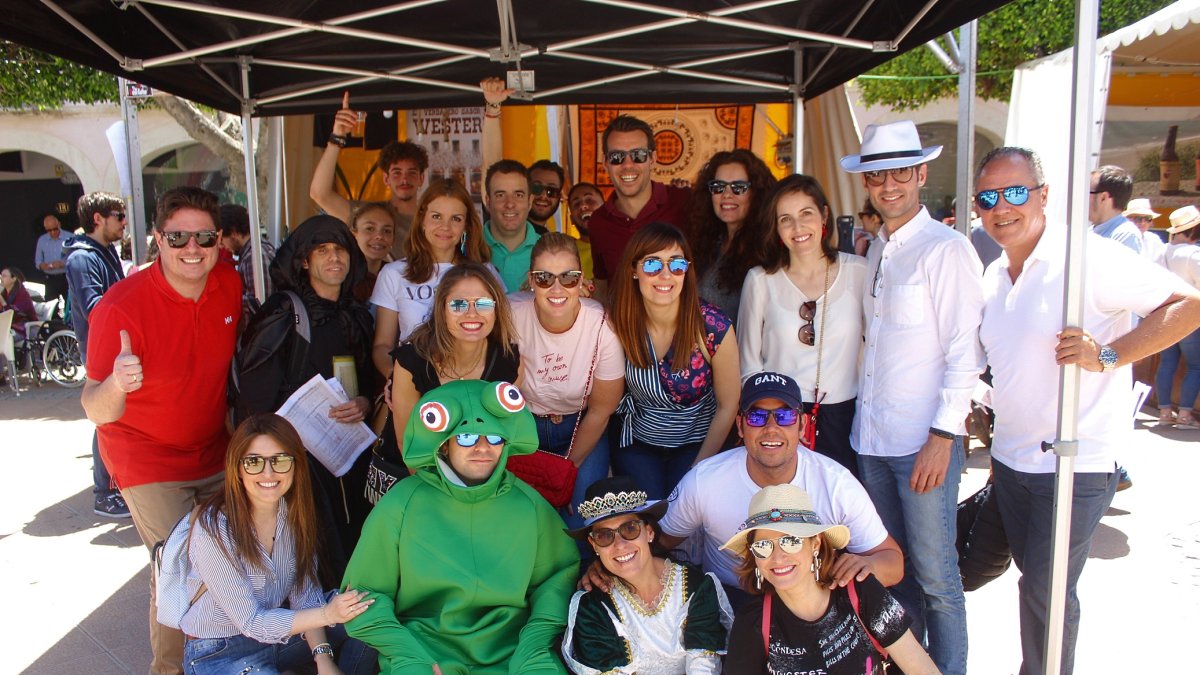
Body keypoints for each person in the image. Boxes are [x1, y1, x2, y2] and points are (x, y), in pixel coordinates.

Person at [974, 146, 1200, 675]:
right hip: (1010, 462)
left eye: (1013, 193)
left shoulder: (1086, 258)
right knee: (1009, 580)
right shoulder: (994, 274)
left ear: (1043, 195)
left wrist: (1108, 355)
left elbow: (1188, 305)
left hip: (1072, 464)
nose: (1000, 208)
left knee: (1046, 596)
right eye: (988, 198)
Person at [840, 120, 983, 675]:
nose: (889, 183)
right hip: (871, 442)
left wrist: (943, 438)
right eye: (878, 174)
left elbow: (965, 354)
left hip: (922, 442)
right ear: (867, 182)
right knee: (893, 573)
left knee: (938, 578)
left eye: (901, 170)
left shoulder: (946, 250)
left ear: (921, 173)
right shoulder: (878, 250)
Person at [81, 186, 241, 674]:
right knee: (178, 566)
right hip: (145, 456)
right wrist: (116, 382)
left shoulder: (229, 281)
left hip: (213, 448)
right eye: (177, 238)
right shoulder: (119, 307)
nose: (191, 249)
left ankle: (229, 658)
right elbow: (93, 407)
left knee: (232, 559)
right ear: (156, 238)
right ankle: (170, 670)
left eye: (202, 237)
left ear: (218, 240)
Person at [342, 379, 579, 674]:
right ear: (444, 444)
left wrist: (533, 649)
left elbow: (558, 578)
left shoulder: (529, 504)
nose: (483, 448)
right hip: (424, 649)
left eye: (494, 438)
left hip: (512, 649)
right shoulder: (401, 503)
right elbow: (365, 593)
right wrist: (409, 656)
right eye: (467, 437)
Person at [631, 372, 902, 610]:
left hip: (813, 598)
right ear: (740, 426)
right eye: (758, 416)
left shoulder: (836, 484)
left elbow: (893, 561)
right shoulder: (705, 480)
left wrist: (870, 566)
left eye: (784, 416)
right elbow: (659, 542)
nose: (771, 428)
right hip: (733, 598)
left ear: (802, 425)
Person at [235, 214, 379, 583]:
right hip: (299, 457)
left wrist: (364, 401)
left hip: (350, 453)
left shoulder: (357, 314)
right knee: (311, 545)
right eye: (322, 250)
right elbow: (255, 392)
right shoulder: (284, 313)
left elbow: (374, 380)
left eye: (341, 249)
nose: (335, 258)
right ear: (304, 260)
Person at [181, 414, 377, 675]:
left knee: (370, 612)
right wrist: (329, 615)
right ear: (237, 469)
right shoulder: (214, 528)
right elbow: (252, 622)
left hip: (279, 637)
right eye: (253, 462)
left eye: (280, 460)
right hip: (219, 651)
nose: (268, 473)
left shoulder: (293, 512)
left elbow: (306, 597)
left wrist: (324, 659)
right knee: (338, 612)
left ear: (296, 464)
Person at [722, 484, 940, 675]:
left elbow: (920, 668)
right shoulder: (753, 622)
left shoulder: (860, 591)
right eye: (763, 546)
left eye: (791, 541)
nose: (778, 557)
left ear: (815, 544)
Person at [738, 174, 867, 476]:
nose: (798, 228)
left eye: (805, 214)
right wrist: (765, 420)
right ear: (776, 228)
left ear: (823, 215)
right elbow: (748, 363)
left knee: (836, 515)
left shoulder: (859, 271)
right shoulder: (760, 280)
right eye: (786, 219)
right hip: (778, 419)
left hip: (843, 416)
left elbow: (875, 348)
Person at [609, 222, 740, 500]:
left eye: (676, 264)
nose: (665, 275)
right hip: (638, 442)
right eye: (652, 265)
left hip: (697, 445)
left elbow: (728, 406)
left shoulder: (712, 326)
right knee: (650, 518)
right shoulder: (619, 323)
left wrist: (699, 469)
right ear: (634, 270)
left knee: (683, 514)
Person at [380, 261, 522, 501]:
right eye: (458, 304)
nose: (472, 313)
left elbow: (502, 439)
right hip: (414, 477)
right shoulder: (412, 361)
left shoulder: (509, 362)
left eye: (483, 303)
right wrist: (444, 499)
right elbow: (408, 444)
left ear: (496, 309)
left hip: (480, 480)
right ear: (441, 308)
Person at [561, 476, 733, 674]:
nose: (619, 545)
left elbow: (704, 667)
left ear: (649, 532)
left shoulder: (697, 586)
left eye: (630, 529)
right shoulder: (591, 606)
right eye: (604, 535)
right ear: (594, 545)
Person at [510, 233, 625, 525]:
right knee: (525, 515)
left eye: (568, 277)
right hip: (524, 428)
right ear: (531, 280)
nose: (557, 288)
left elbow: (601, 410)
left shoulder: (601, 326)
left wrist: (563, 471)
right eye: (544, 278)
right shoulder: (510, 314)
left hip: (581, 425)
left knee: (580, 518)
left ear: (582, 279)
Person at [370, 177, 493, 377]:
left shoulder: (484, 273)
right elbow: (382, 345)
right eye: (436, 216)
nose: (445, 227)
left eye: (456, 218)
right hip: (411, 382)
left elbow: (498, 338)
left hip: (470, 383)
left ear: (467, 226)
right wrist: (396, 380)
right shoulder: (393, 273)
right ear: (422, 220)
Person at [64, 191, 129, 518]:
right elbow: (95, 309)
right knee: (105, 419)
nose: (124, 222)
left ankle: (114, 486)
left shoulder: (103, 253)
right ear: (98, 218)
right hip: (101, 351)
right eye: (118, 215)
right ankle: (103, 492)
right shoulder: (82, 258)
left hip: (113, 348)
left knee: (115, 418)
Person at [310, 92, 426, 258]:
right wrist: (337, 137)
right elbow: (319, 194)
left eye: (412, 172)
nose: (404, 179)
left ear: (421, 178)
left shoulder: (433, 220)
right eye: (397, 172)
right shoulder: (370, 213)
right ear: (386, 178)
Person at [588, 115, 690, 298]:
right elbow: (602, 288)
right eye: (617, 157)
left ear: (653, 158)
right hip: (621, 326)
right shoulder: (598, 222)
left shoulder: (685, 202)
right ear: (605, 163)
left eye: (638, 155)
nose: (628, 165)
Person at [1087, 164, 1140, 491]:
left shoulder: (1124, 236)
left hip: (1108, 351)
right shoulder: (1097, 233)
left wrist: (1110, 356)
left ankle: (1112, 473)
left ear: (1105, 197)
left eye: (1089, 193)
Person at [686, 148, 777, 323]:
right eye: (718, 187)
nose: (727, 195)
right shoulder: (707, 243)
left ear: (756, 193)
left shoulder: (768, 248)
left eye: (739, 187)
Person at [478, 77, 560, 234]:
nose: (543, 195)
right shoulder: (485, 235)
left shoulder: (548, 243)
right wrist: (493, 108)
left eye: (551, 191)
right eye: (536, 187)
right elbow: (491, 164)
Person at [1157, 205, 1200, 429]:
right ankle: (1184, 415)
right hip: (1190, 317)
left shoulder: (1162, 251)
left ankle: (1164, 412)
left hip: (1165, 316)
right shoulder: (1193, 255)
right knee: (1195, 367)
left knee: (1167, 363)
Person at [482, 159, 542, 292]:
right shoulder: (466, 248)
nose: (510, 204)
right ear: (488, 202)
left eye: (518, 195)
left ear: (530, 201)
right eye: (500, 195)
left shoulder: (549, 250)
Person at [218, 203, 277, 324]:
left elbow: (262, 303)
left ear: (233, 232)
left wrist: (227, 296)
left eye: (222, 239)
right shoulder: (253, 252)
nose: (221, 245)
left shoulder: (255, 256)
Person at [349, 201, 397, 303]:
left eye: (387, 231)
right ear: (354, 235)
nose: (379, 236)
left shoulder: (396, 276)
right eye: (370, 229)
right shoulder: (342, 276)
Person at [1088, 165, 1143, 255]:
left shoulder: (1126, 236)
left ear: (1103, 197)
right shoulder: (1089, 231)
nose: (1083, 198)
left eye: (1088, 192)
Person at [566, 182, 603, 279]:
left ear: (606, 209)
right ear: (572, 219)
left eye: (590, 200)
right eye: (576, 204)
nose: (583, 206)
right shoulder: (565, 252)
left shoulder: (624, 246)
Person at [34, 213, 68, 300]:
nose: (53, 232)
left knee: (73, 307)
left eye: (55, 229)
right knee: (51, 308)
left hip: (67, 277)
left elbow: (78, 259)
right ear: (45, 229)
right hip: (50, 279)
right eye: (49, 230)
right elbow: (38, 260)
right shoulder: (42, 240)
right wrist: (42, 266)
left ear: (59, 225)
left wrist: (63, 263)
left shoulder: (69, 237)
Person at [0, 266, 38, 341]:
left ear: (13, 279)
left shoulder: (22, 294)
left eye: (4, 276)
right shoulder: (5, 293)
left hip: (24, 329)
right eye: (0, 275)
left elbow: (12, 313)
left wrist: (2, 300)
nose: (1, 278)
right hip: (9, 327)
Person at [1123, 198, 1166, 264]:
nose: (1143, 223)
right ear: (1128, 219)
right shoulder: (1121, 238)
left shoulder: (1154, 240)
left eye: (1148, 219)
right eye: (1138, 218)